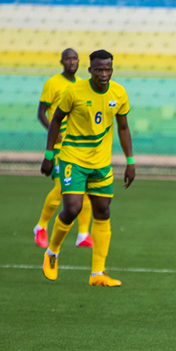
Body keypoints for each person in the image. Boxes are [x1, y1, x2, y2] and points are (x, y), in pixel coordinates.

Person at [40, 49, 135, 286]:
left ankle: (97, 274)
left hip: (101, 162)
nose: (104, 74)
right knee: (73, 208)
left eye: (108, 69)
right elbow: (55, 120)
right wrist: (49, 154)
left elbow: (123, 128)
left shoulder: (119, 93)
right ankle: (52, 253)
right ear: (90, 70)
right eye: (99, 69)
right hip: (73, 158)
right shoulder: (74, 91)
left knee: (103, 211)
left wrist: (130, 161)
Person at [33, 48, 94, 249]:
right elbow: (41, 112)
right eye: (68, 59)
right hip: (59, 147)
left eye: (75, 58)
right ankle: (41, 227)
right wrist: (52, 130)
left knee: (83, 190)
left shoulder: (82, 85)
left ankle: (83, 234)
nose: (72, 62)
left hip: (77, 146)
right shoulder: (53, 83)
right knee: (61, 189)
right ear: (62, 61)